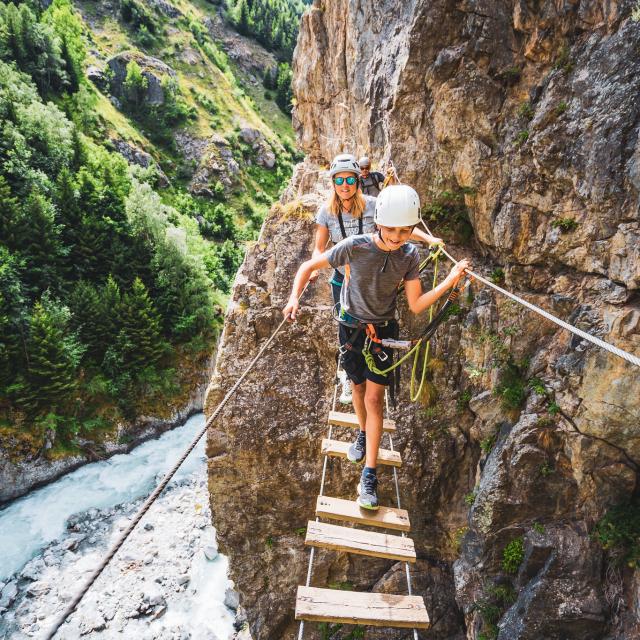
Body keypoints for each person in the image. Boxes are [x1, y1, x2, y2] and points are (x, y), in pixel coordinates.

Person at [284, 185, 470, 511]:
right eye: (393, 228)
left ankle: (369, 475)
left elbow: (415, 305)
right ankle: (361, 432)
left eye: (406, 230)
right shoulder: (354, 247)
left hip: (383, 331)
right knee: (357, 390)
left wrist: (450, 280)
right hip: (351, 328)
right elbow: (308, 267)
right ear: (379, 222)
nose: (399, 236)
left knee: (374, 399)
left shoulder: (410, 256)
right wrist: (292, 299)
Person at [312, 154, 442, 403]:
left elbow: (399, 228)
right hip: (341, 278)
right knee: (347, 329)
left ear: (357, 180)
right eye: (339, 180)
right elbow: (320, 246)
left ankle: (364, 376)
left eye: (350, 178)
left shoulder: (374, 205)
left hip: (369, 275)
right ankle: (351, 376)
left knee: (367, 323)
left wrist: (429, 240)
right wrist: (316, 267)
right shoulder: (326, 212)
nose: (345, 184)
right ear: (333, 183)